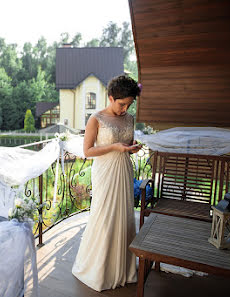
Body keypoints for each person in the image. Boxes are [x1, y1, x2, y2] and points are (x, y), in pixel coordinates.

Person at [72, 75, 142, 291]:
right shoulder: (96, 119)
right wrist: (115, 147)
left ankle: (123, 268)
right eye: (122, 104)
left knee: (124, 216)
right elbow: (88, 151)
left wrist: (132, 147)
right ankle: (99, 269)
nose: (124, 109)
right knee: (104, 216)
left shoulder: (130, 119)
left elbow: (126, 143)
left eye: (129, 105)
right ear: (111, 97)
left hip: (123, 169)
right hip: (104, 172)